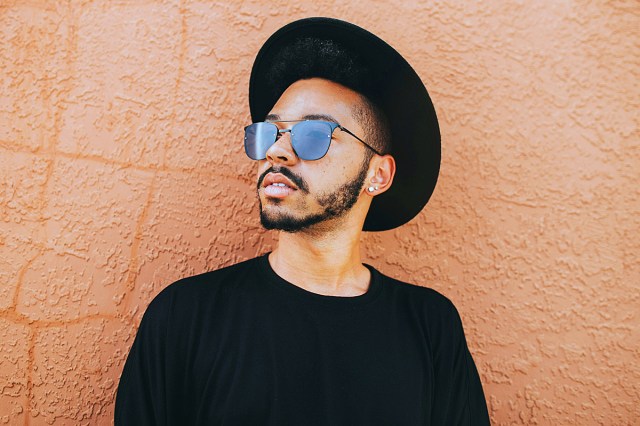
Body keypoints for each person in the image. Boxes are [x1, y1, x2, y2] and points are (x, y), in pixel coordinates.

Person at [115, 17, 490, 425]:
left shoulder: (430, 327)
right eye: (270, 133)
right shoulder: (185, 316)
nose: (277, 151)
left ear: (377, 175)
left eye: (313, 135)